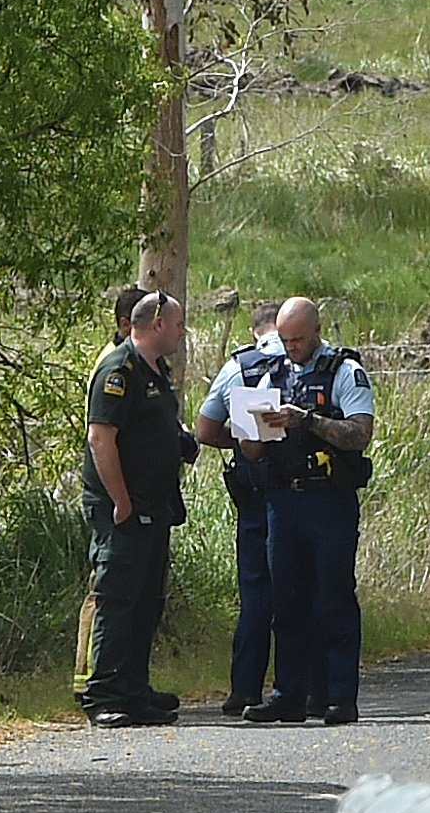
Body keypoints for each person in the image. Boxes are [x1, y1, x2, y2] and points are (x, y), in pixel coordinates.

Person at [200, 297, 375, 724]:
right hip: (281, 499)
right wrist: (253, 431)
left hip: (328, 499)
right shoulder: (266, 373)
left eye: (298, 339)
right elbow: (245, 442)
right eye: (286, 339)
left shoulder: (343, 371)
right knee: (286, 600)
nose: (292, 347)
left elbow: (359, 433)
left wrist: (307, 420)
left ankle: (338, 696)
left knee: (333, 596)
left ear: (316, 331)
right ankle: (288, 694)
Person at [80, 289, 196, 728]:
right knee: (119, 597)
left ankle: (133, 688)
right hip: (124, 509)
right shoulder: (119, 369)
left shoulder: (156, 370)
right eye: (179, 325)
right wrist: (121, 501)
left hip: (155, 505)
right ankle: (105, 692)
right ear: (159, 324)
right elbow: (101, 439)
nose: (183, 334)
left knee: (147, 599)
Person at [217, 302, 284, 717]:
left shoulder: (240, 367)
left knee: (257, 591)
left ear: (252, 330)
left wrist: (244, 435)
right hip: (305, 491)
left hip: (256, 489)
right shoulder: (320, 359)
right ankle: (304, 687)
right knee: (301, 590)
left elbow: (206, 428)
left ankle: (245, 689)